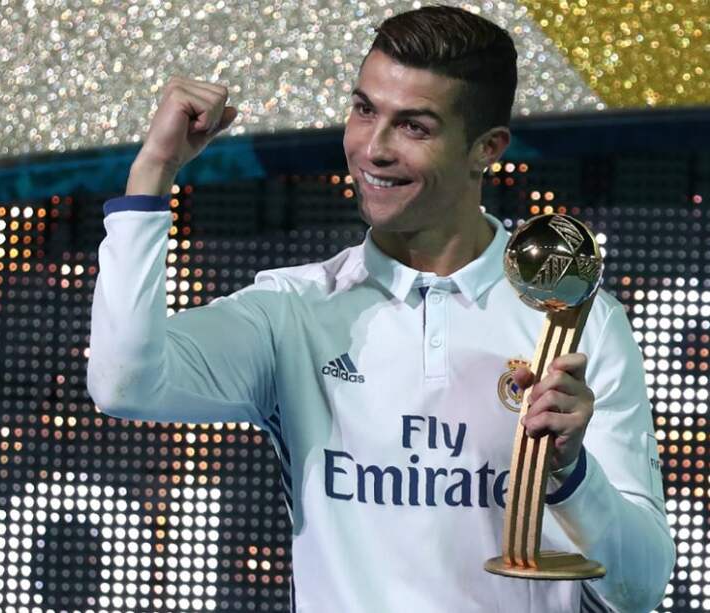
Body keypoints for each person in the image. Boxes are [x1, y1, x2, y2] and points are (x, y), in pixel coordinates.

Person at [87, 6, 674, 612]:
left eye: (414, 126)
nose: (372, 148)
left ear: (486, 149)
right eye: (364, 110)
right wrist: (153, 171)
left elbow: (641, 588)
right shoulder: (293, 311)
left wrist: (573, 474)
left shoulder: (579, 323)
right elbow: (124, 383)